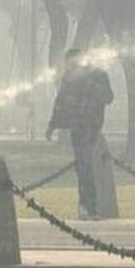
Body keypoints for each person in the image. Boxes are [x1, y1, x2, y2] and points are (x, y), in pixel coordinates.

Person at [45, 49, 114, 220]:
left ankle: (88, 207)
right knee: (83, 167)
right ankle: (87, 206)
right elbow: (60, 102)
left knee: (85, 167)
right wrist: (52, 125)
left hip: (90, 126)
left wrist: (92, 88)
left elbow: (108, 97)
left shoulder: (97, 75)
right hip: (79, 127)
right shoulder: (70, 78)